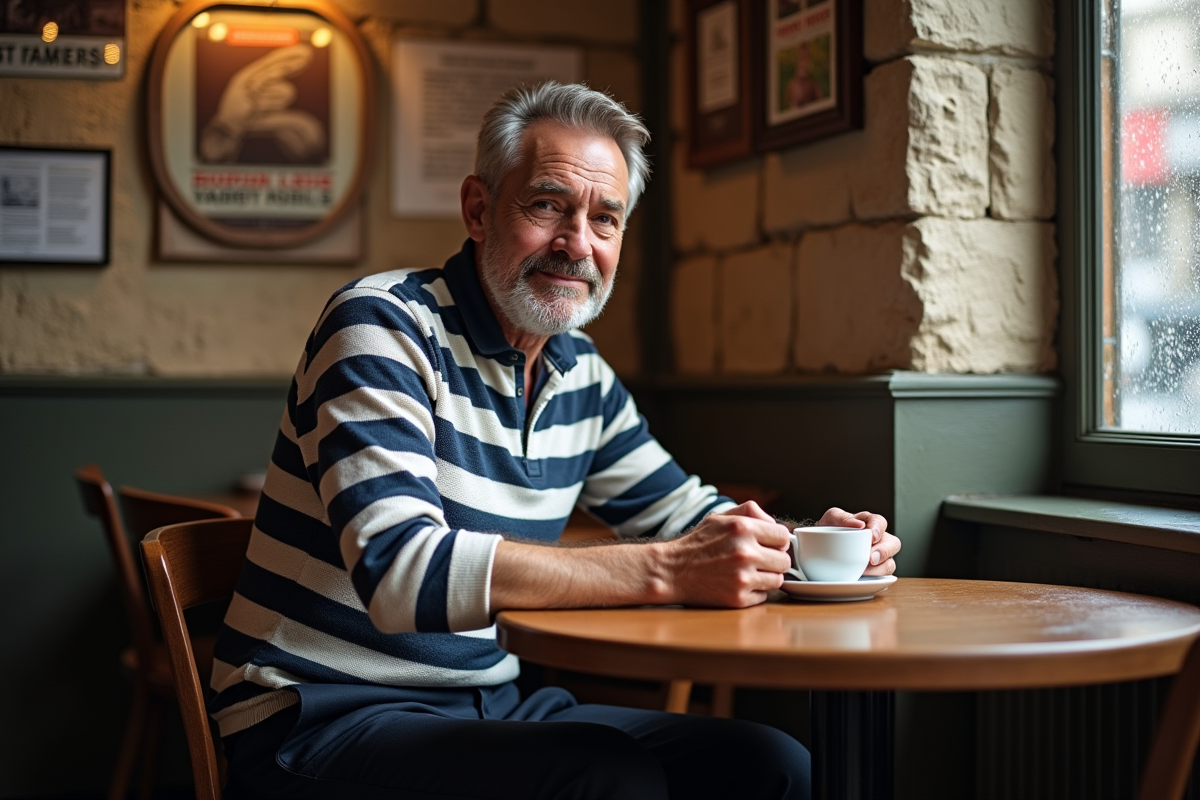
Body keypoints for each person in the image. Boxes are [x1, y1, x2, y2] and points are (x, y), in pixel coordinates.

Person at [211, 80, 901, 800]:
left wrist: (813, 547)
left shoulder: (581, 373)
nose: (577, 244)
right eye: (547, 206)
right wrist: (667, 571)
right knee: (610, 779)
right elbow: (399, 573)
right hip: (318, 717)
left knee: (771, 763)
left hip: (491, 705)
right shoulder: (382, 325)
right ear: (478, 209)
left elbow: (687, 518)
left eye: (606, 219)